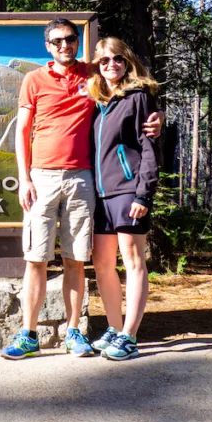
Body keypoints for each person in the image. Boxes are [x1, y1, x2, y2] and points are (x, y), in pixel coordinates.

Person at [1, 19, 160, 360]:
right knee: (36, 259)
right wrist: (24, 177)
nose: (64, 45)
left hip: (83, 180)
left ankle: (76, 333)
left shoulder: (91, 76)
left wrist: (157, 119)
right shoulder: (35, 80)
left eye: (71, 39)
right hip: (41, 178)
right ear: (48, 45)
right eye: (57, 41)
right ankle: (29, 334)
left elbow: (133, 93)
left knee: (76, 259)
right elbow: (22, 130)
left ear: (78, 42)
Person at [86, 37, 159, 361]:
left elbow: (149, 147)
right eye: (104, 61)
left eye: (117, 59)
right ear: (98, 67)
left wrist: (144, 192)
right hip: (101, 195)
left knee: (133, 261)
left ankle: (130, 336)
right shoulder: (98, 102)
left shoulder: (139, 97)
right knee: (102, 264)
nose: (111, 65)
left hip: (128, 191)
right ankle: (115, 329)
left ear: (127, 62)